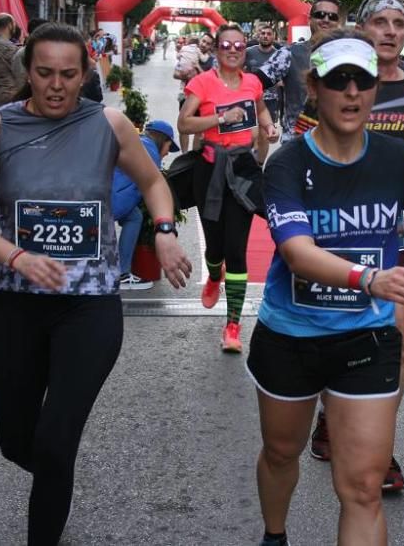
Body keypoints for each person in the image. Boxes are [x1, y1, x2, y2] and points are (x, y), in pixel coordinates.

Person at [251, 29, 404, 546]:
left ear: (373, 91)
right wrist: (369, 278)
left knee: (363, 487)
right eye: (337, 81)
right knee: (280, 452)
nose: (350, 93)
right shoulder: (289, 162)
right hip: (292, 335)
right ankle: (275, 536)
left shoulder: (395, 158)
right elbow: (297, 253)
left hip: (366, 336)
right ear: (313, 88)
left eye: (360, 82)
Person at [0, 22, 192, 546]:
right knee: (16, 443)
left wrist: (167, 232)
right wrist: (18, 257)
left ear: (86, 73)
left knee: (57, 443)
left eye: (68, 74)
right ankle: (54, 479)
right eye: (44, 73)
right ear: (27, 73)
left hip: (90, 308)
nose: (56, 85)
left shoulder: (108, 123)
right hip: (18, 307)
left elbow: (153, 180)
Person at [294, 0, 404, 492]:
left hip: (396, 237)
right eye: (379, 21)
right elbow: (303, 154)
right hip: (335, 232)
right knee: (332, 335)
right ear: (363, 28)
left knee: (395, 344)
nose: (390, 31)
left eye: (399, 23)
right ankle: (329, 415)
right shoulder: (332, 84)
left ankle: (380, 446)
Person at [178, 23, 278, 352]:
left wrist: (268, 126)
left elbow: (261, 108)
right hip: (209, 169)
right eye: (226, 45)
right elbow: (184, 122)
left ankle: (233, 325)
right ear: (217, 50)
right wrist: (220, 120)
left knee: (237, 249)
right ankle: (213, 274)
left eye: (238, 45)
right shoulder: (202, 82)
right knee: (215, 246)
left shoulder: (252, 82)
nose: (233, 50)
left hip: (243, 169)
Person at [255, 0, 343, 141]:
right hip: (297, 144)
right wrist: (267, 123)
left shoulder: (350, 57)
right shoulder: (289, 54)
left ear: (338, 22)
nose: (326, 19)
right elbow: (252, 85)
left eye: (332, 16)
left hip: (336, 146)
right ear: (310, 19)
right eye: (320, 14)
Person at [112, 120, 182, 290]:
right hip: (111, 200)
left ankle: (122, 271)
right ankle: (121, 273)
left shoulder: (137, 143)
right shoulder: (150, 151)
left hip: (104, 195)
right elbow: (150, 187)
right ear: (162, 140)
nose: (166, 153)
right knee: (132, 217)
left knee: (135, 216)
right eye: (168, 147)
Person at [245, 25, 281, 165]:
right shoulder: (248, 53)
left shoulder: (279, 55)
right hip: (250, 100)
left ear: (274, 37)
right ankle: (248, 161)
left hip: (271, 100)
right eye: (263, 33)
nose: (265, 36)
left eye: (269, 34)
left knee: (265, 135)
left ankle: (259, 165)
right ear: (258, 36)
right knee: (251, 134)